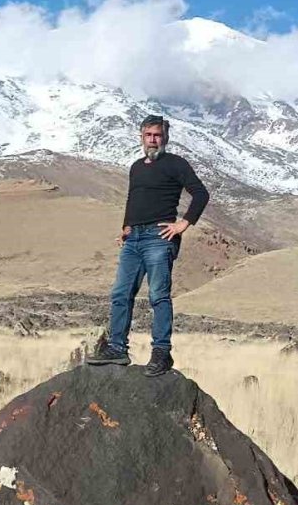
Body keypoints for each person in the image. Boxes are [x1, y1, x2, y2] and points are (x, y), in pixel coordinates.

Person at [88, 114, 210, 376]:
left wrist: (182, 224)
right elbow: (135, 198)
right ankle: (117, 349)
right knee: (121, 294)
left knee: (158, 296)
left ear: (165, 137)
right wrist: (126, 226)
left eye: (157, 135)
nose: (153, 140)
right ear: (141, 137)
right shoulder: (136, 167)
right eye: (148, 135)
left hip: (159, 237)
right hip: (133, 239)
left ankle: (161, 353)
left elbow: (201, 193)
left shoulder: (176, 164)